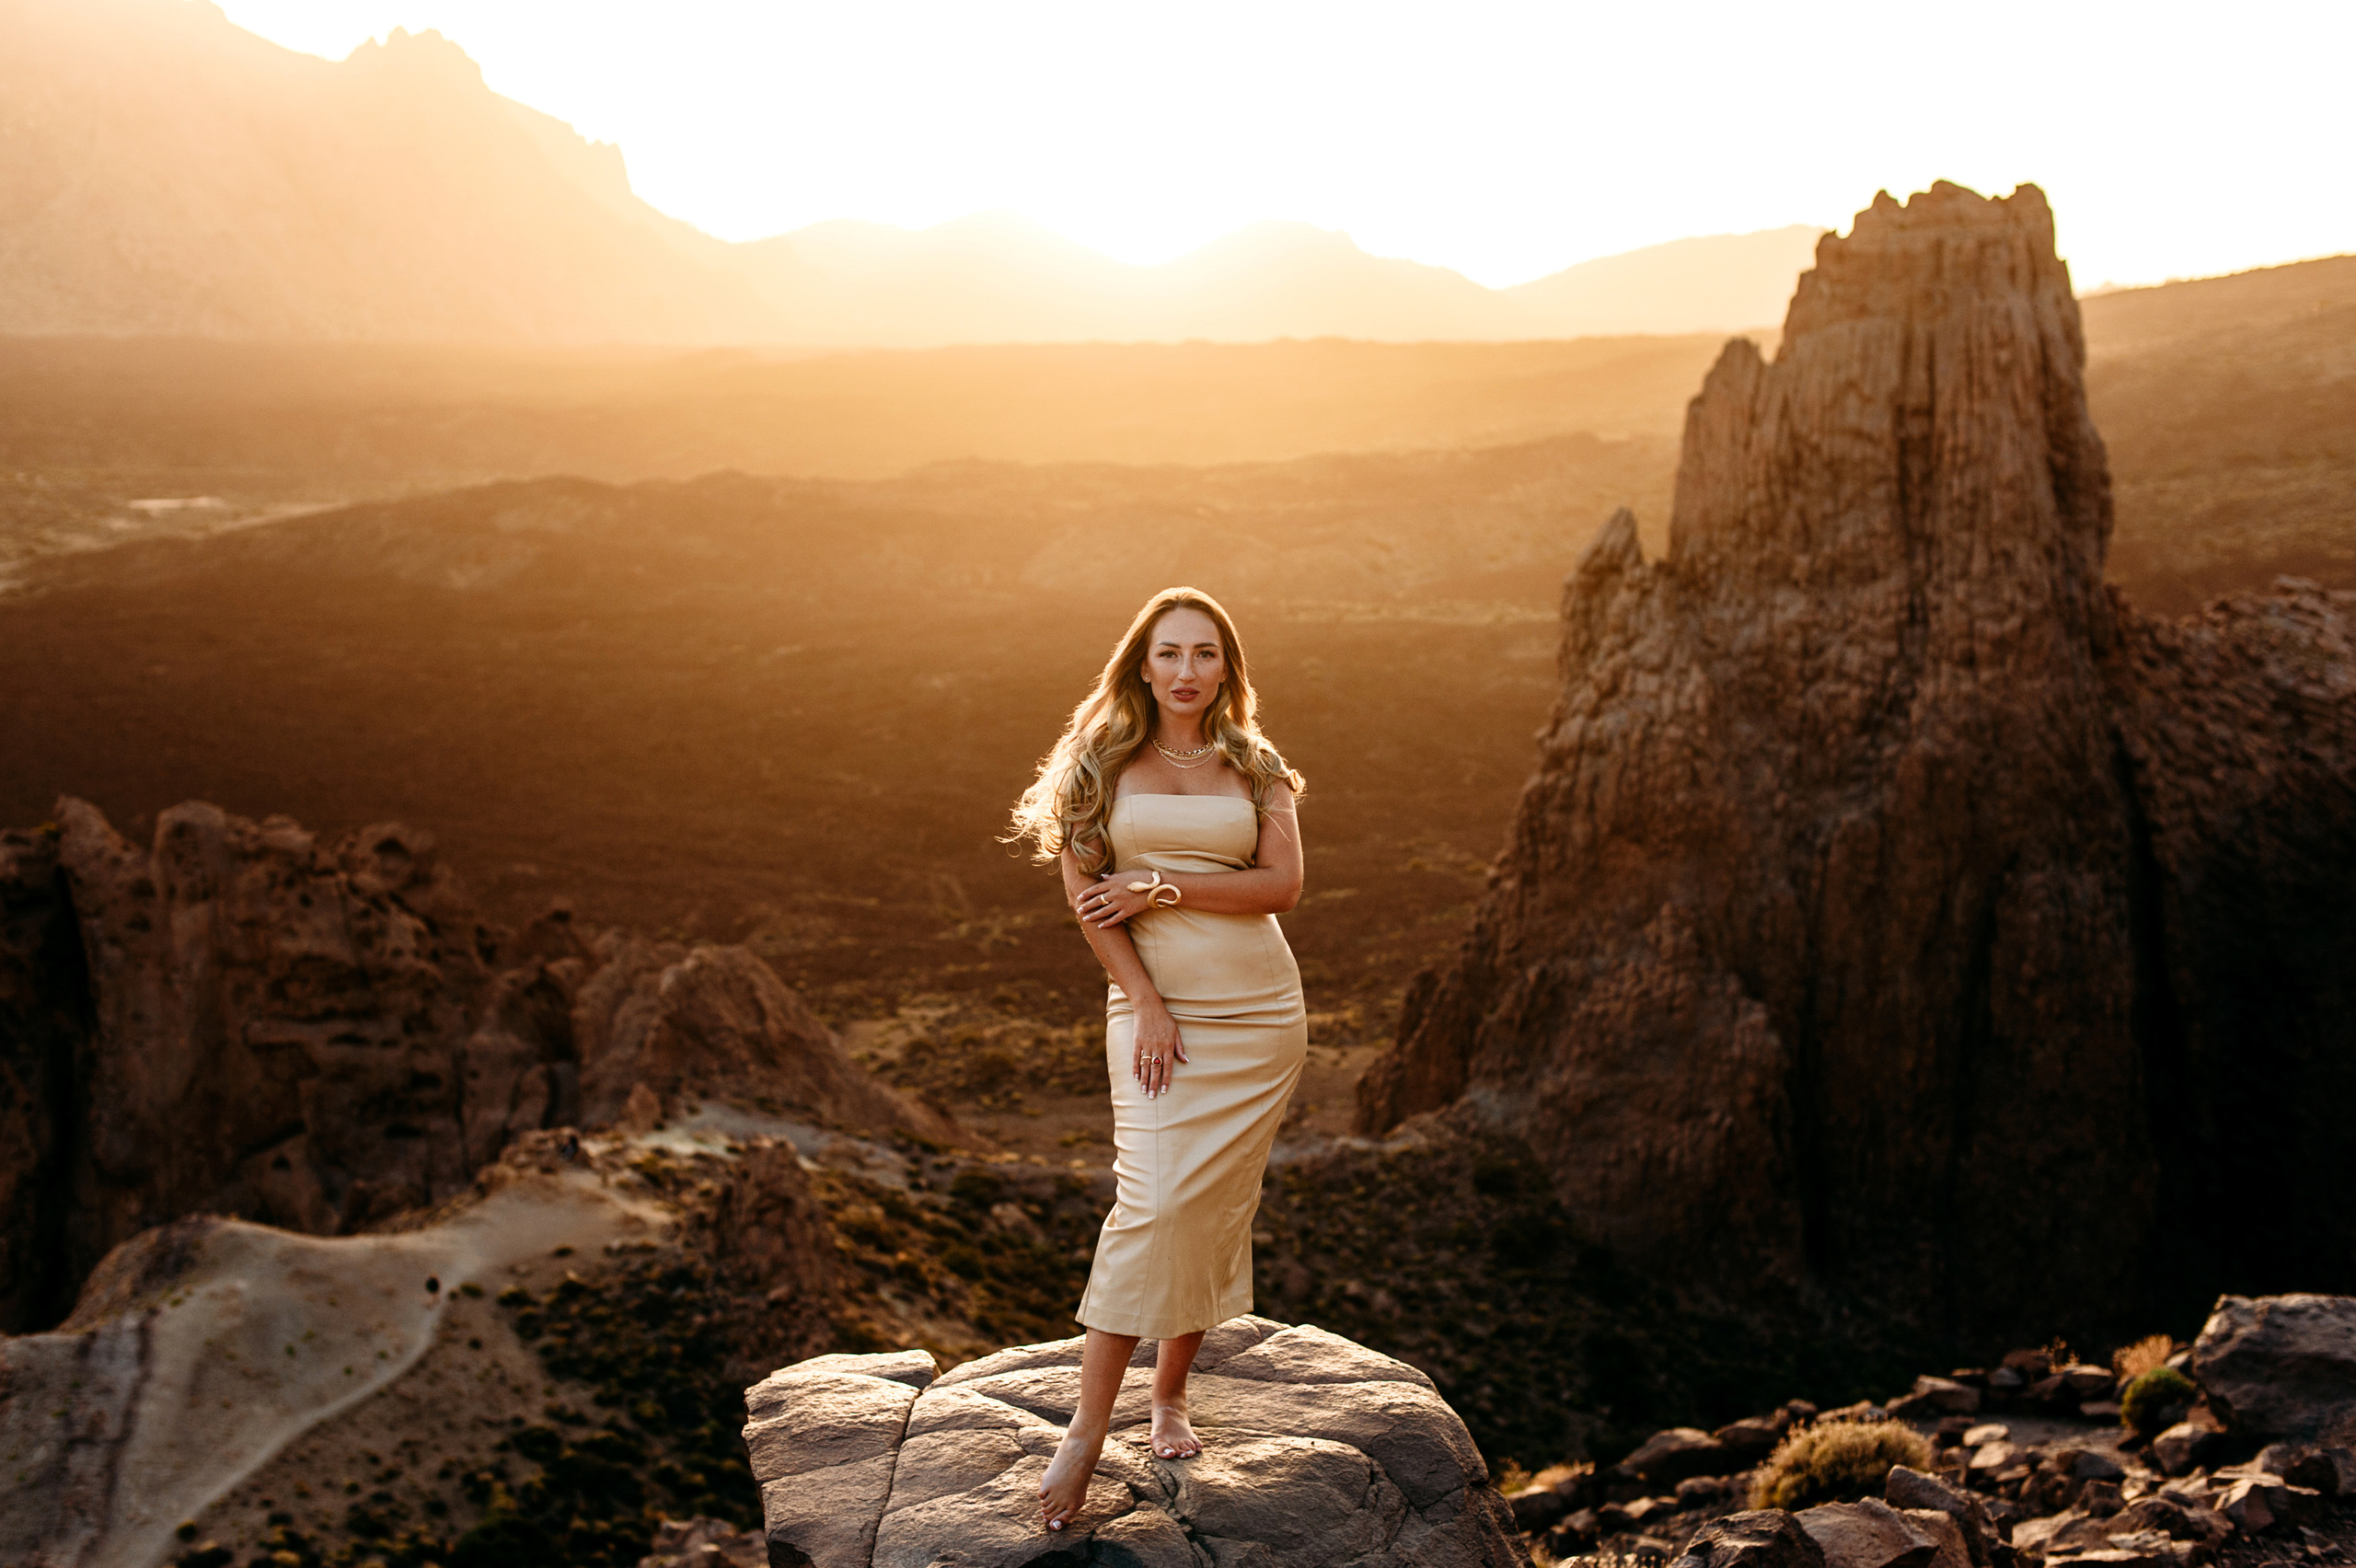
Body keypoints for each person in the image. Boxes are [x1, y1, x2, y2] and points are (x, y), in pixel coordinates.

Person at [1006, 586, 1309, 1532]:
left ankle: (1169, 1396)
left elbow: (1283, 886)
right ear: (1142, 663)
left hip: (1259, 1014)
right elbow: (1087, 897)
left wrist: (1164, 884)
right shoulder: (1097, 763)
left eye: (1206, 655)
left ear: (1228, 670)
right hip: (1156, 1013)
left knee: (1213, 1204)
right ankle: (1084, 1436)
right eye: (1170, 653)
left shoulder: (1255, 765)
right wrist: (1143, 1002)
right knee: (1153, 1202)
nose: (1187, 672)